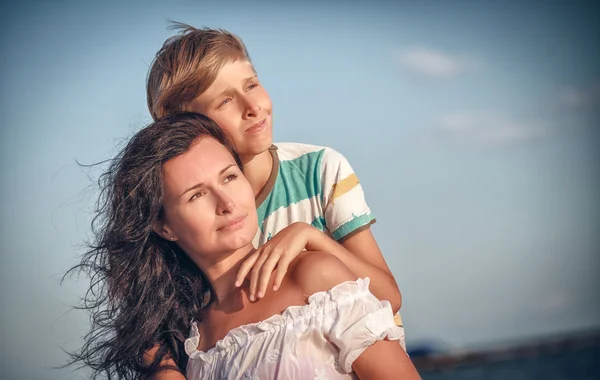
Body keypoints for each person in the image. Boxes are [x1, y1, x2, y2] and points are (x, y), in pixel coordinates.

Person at [69, 113, 419, 380]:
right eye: (197, 195)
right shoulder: (190, 344)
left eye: (230, 177)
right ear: (165, 227)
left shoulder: (314, 276)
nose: (226, 203)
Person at [146, 23, 405, 330]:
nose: (253, 107)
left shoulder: (320, 169)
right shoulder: (198, 224)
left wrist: (309, 237)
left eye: (251, 85)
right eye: (225, 101)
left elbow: (389, 297)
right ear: (185, 127)